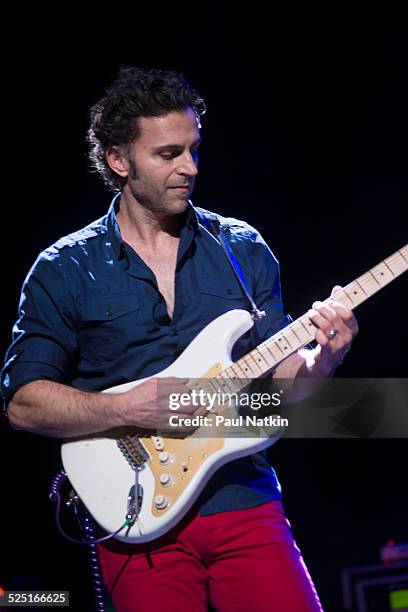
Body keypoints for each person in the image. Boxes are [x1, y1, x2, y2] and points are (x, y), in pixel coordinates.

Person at [2, 66, 358, 611]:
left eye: (194, 150)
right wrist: (128, 406)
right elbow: (24, 404)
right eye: (168, 154)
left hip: (243, 500)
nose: (188, 168)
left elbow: (275, 399)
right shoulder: (64, 267)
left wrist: (323, 361)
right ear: (119, 160)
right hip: (135, 519)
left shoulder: (241, 247)